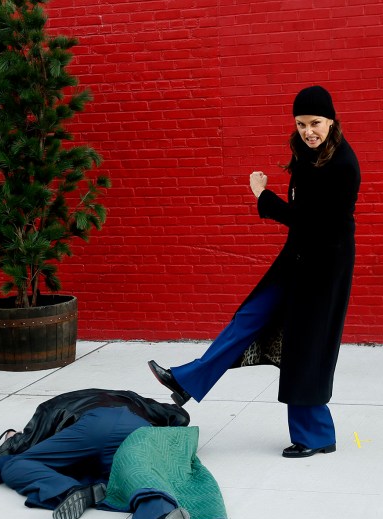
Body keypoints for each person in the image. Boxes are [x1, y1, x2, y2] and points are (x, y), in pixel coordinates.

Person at [148, 85, 360, 459]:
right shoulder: (307, 153)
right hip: (296, 259)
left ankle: (316, 436)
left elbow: (309, 221)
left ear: (331, 121)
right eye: (301, 123)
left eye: (316, 123)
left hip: (323, 271)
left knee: (306, 351)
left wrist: (262, 195)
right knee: (250, 316)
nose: (308, 131)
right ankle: (188, 379)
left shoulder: (342, 166)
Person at [0, 389, 228, 519]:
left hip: (93, 425)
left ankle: (70, 490)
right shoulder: (140, 402)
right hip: (136, 430)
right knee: (135, 474)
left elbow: (27, 445)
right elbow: (180, 416)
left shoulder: (57, 404)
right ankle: (156, 515)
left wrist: (12, 440)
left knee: (16, 465)